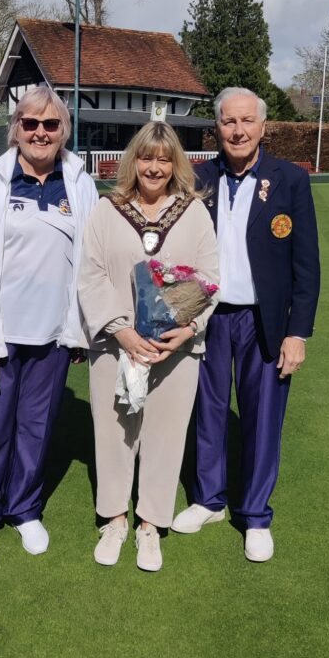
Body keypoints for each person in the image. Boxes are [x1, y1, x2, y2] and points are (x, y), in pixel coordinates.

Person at [0, 86, 98, 558]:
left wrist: (81, 331)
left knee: (36, 430)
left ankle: (25, 509)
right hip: (0, 337)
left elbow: (91, 261)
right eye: (30, 123)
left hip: (53, 339)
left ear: (63, 131)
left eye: (50, 125)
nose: (40, 132)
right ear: (16, 128)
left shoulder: (79, 182)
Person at [172, 87, 320, 561]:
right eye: (228, 122)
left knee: (262, 419)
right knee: (208, 411)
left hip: (265, 321)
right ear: (217, 127)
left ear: (262, 126)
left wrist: (297, 333)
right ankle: (208, 500)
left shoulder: (290, 179)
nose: (237, 131)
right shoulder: (198, 177)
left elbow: (307, 266)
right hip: (210, 317)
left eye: (246, 121)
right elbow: (178, 255)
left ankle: (255, 515)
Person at [78, 122, 219, 572]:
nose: (154, 167)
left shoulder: (194, 211)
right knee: (117, 432)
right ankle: (114, 518)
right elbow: (91, 274)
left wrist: (190, 327)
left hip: (175, 349)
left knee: (165, 436)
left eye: (163, 159)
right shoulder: (108, 209)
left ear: (174, 162)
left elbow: (210, 278)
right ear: (132, 160)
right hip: (116, 344)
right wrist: (120, 330)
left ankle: (150, 524)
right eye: (146, 157)